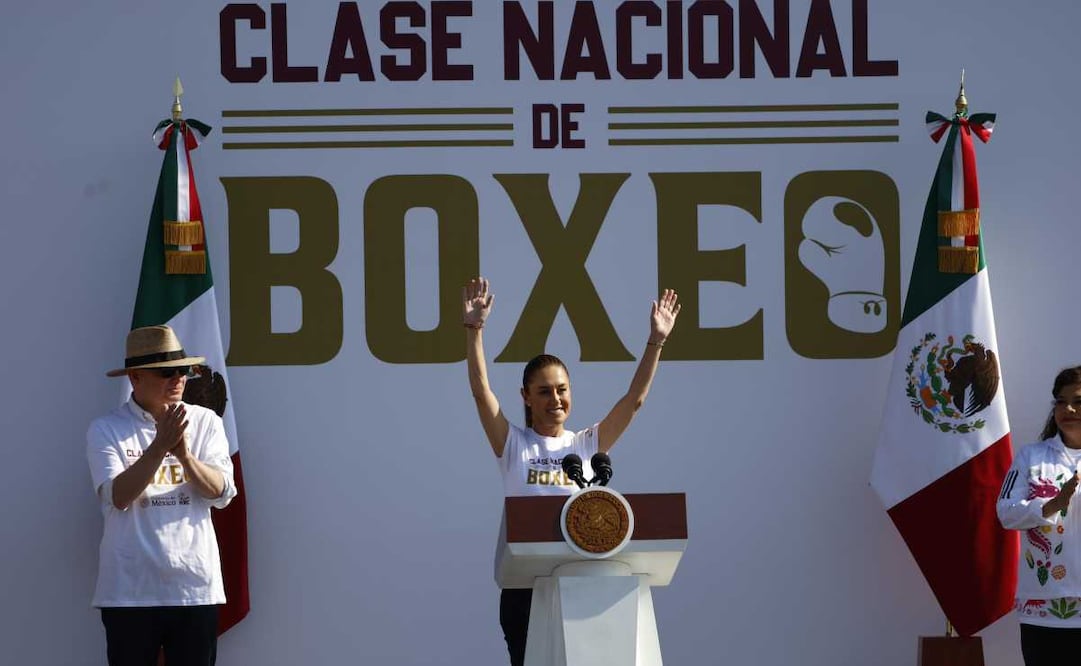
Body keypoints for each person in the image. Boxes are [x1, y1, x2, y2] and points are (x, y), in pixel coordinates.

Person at [463, 276, 680, 666]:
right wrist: (474, 330)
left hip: (584, 586)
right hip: (526, 590)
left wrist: (656, 341)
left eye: (562, 389)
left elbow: (634, 401)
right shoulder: (514, 444)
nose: (555, 399)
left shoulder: (584, 447)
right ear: (526, 398)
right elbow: (482, 394)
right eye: (544, 391)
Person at [87, 325, 237, 666]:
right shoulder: (106, 429)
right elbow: (118, 497)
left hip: (194, 589)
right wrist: (159, 447)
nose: (178, 379)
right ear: (136, 378)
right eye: (166, 372)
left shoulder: (207, 423)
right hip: (129, 593)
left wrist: (184, 455)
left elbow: (222, 493)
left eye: (183, 370)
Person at [998, 366, 1081, 664]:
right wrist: (1051, 505)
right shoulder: (1031, 456)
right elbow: (1005, 513)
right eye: (1060, 401)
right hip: (1043, 613)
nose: (1068, 408)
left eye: (1078, 401)